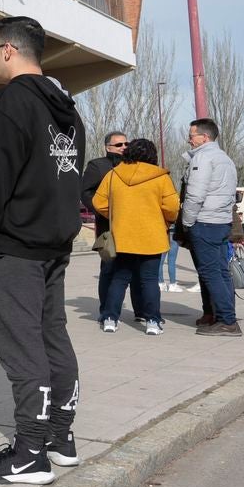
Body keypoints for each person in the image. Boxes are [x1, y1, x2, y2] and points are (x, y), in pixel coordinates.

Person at [0, 15, 83, 486]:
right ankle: (60, 437)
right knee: (52, 336)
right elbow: (68, 175)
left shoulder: (11, 101)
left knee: (22, 344)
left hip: (17, 247)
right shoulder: (66, 106)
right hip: (54, 242)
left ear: (8, 50)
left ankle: (29, 452)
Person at [91, 139, 179, 336]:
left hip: (122, 235)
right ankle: (152, 322)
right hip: (152, 235)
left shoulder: (113, 175)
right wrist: (164, 221)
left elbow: (98, 202)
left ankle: (110, 318)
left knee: (119, 278)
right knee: (149, 280)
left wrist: (117, 215)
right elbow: (172, 207)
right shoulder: (161, 177)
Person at [177, 118, 241, 336]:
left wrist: (187, 221)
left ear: (204, 137)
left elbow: (194, 194)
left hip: (204, 222)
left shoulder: (203, 158)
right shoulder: (225, 158)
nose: (189, 139)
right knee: (222, 272)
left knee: (211, 273)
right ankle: (225, 316)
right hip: (221, 221)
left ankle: (227, 321)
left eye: (192, 135)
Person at [82, 130, 145, 323]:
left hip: (135, 228)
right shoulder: (97, 166)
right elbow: (85, 193)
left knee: (137, 272)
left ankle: (141, 311)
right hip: (108, 229)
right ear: (107, 147)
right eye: (119, 145)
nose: (124, 147)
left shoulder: (134, 165)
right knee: (109, 270)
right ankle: (107, 311)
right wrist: (105, 210)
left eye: (126, 144)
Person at [158, 223, 182, 292]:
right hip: (174, 232)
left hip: (163, 233)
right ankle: (172, 284)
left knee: (160, 261)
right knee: (172, 261)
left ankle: (160, 283)